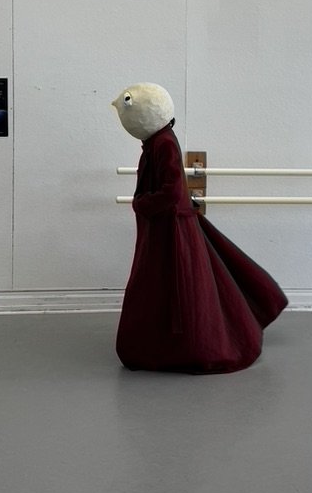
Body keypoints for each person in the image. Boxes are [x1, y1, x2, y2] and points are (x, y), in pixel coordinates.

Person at [112, 83, 287, 373]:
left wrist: (142, 204)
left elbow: (173, 193)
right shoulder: (159, 142)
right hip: (167, 228)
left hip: (171, 231)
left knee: (181, 285)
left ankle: (189, 346)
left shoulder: (163, 143)